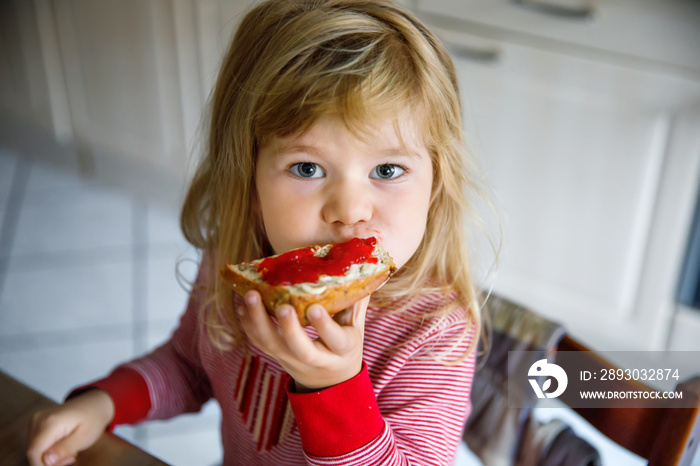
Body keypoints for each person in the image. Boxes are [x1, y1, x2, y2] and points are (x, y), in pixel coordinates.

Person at [26, 1, 492, 464]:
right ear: (248, 179)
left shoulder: (435, 336)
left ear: (437, 184)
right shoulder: (237, 273)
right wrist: (104, 403)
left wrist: (333, 386)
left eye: (387, 169)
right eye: (306, 167)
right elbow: (189, 366)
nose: (349, 211)